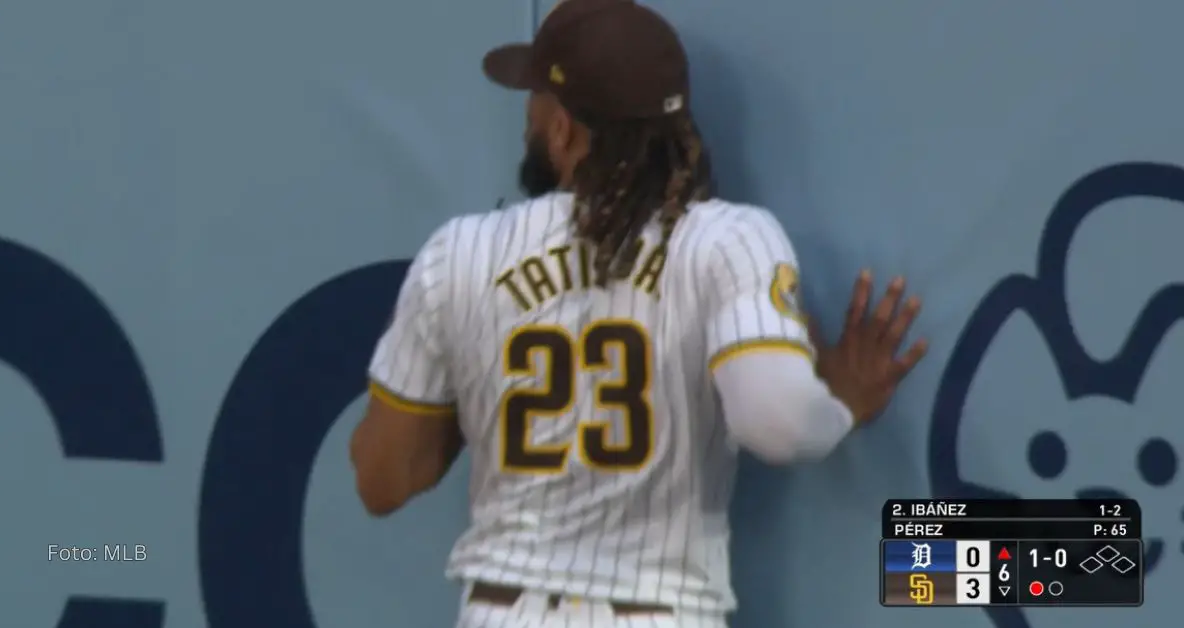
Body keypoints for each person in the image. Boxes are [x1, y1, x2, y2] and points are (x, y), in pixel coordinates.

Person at [349, 0, 928, 626]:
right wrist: (840, 404)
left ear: (564, 130)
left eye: (535, 101)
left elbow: (383, 480)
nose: (527, 119)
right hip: (656, 611)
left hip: (503, 611)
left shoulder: (459, 253)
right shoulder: (725, 240)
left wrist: (472, 384)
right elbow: (780, 424)